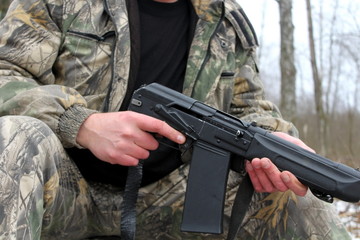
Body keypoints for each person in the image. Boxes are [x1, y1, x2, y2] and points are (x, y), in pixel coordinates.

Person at [0, 0, 351, 239]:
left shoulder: (224, 20)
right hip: (63, 191)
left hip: (171, 198)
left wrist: (278, 141)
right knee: (14, 136)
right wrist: (82, 124)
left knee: (294, 195)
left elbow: (248, 106)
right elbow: (5, 72)